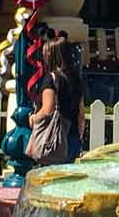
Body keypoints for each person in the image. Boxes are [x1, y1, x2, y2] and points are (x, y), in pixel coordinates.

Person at [27, 30, 85, 165]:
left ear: (51, 56)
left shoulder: (51, 79)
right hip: (73, 136)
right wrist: (79, 135)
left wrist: (34, 118)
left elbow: (48, 109)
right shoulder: (77, 79)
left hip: (55, 139)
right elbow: (81, 113)